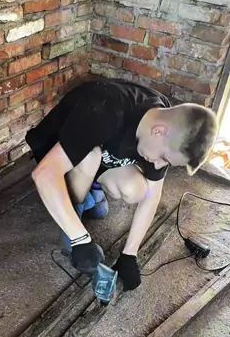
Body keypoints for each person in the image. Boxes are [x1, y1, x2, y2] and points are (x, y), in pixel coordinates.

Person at [26, 77, 218, 291]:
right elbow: (44, 174)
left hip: (101, 154)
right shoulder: (104, 110)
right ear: (158, 131)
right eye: (164, 158)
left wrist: (130, 254)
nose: (159, 165)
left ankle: (90, 187)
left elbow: (152, 195)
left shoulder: (163, 121)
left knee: (137, 190)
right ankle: (74, 212)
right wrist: (80, 239)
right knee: (90, 156)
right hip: (59, 154)